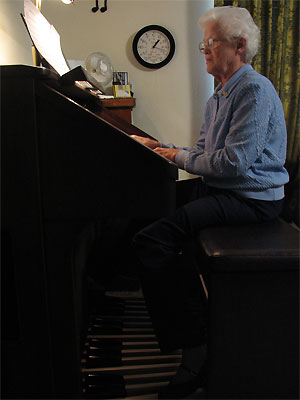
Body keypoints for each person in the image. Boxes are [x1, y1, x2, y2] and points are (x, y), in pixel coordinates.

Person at [130, 6, 289, 399]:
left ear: (238, 46)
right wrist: (162, 147)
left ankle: (195, 352)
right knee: (151, 213)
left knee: (152, 240)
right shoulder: (220, 95)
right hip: (226, 190)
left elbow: (234, 164)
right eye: (203, 44)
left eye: (209, 44)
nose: (204, 50)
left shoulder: (254, 89)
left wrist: (172, 156)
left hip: (251, 199)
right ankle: (184, 315)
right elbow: (202, 153)